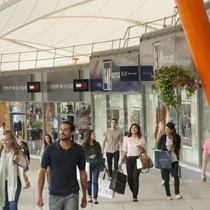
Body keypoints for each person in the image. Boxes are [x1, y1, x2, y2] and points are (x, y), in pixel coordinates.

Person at [37, 121, 87, 210]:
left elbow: (82, 172)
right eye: (60, 129)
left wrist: (84, 195)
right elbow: (42, 171)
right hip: (54, 194)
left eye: (65, 129)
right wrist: (39, 195)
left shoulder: (79, 150)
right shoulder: (50, 149)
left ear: (72, 133)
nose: (61, 132)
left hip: (72, 193)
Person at [119, 123, 146, 202]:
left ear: (138, 129)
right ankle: (133, 191)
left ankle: (135, 195)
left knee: (135, 177)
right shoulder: (127, 138)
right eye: (132, 128)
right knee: (130, 178)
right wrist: (121, 161)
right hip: (129, 159)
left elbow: (144, 150)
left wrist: (141, 147)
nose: (133, 129)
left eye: (135, 128)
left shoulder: (141, 138)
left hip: (138, 159)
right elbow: (125, 150)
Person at [0, 130, 27, 210]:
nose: (4, 142)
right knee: (4, 206)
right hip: (3, 182)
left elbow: (25, 165)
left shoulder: (17, 152)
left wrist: (18, 160)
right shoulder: (0, 152)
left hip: (15, 181)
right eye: (2, 140)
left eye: (6, 140)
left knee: (13, 206)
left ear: (12, 140)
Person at [157, 122, 182, 200]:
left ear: (172, 130)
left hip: (174, 159)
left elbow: (178, 147)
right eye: (165, 129)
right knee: (166, 178)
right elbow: (158, 147)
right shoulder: (163, 137)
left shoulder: (177, 137)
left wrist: (174, 149)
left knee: (175, 175)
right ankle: (168, 195)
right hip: (165, 159)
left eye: (168, 129)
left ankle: (177, 193)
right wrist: (166, 147)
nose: (166, 131)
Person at [82, 130, 107, 204]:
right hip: (87, 166)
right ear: (88, 135)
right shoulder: (84, 146)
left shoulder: (97, 144)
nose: (94, 135)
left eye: (94, 134)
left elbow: (100, 156)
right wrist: (89, 157)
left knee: (95, 181)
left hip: (96, 165)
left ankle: (95, 197)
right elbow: (81, 157)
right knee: (88, 182)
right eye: (93, 134)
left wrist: (104, 165)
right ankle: (89, 195)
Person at [155, 121, 166, 186]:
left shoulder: (160, 133)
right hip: (168, 151)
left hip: (162, 152)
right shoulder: (168, 133)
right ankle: (173, 177)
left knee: (162, 166)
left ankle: (163, 180)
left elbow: (157, 142)